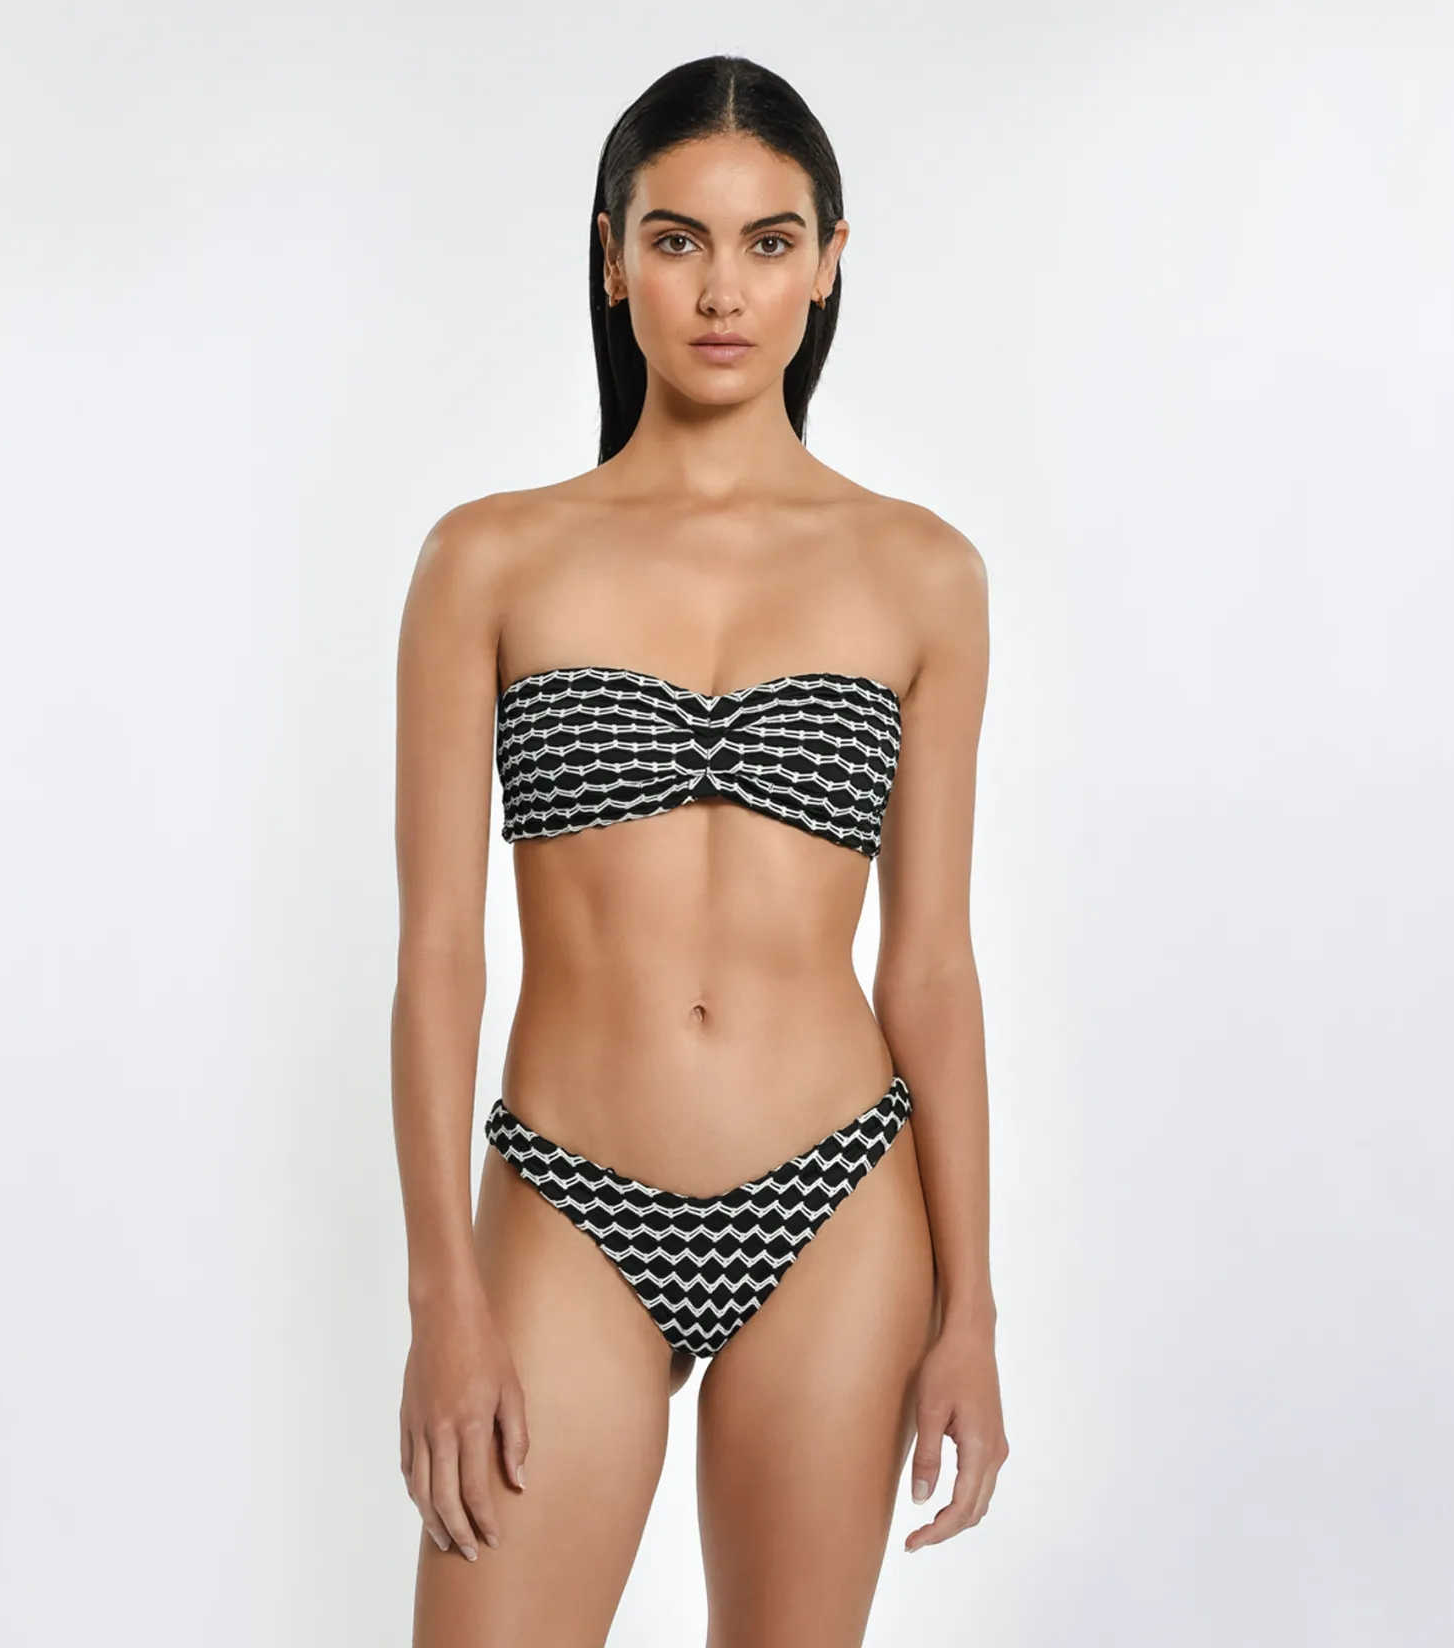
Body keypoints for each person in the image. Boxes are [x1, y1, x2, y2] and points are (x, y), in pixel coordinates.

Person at [392, 52, 1006, 1647]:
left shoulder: (922, 574)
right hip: (567, 1199)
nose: (723, 290)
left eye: (767, 242)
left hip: (840, 1199)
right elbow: (439, 956)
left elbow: (930, 967)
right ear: (613, 258)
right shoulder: (490, 560)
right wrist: (442, 1297)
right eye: (677, 240)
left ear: (829, 261)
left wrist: (973, 1312)